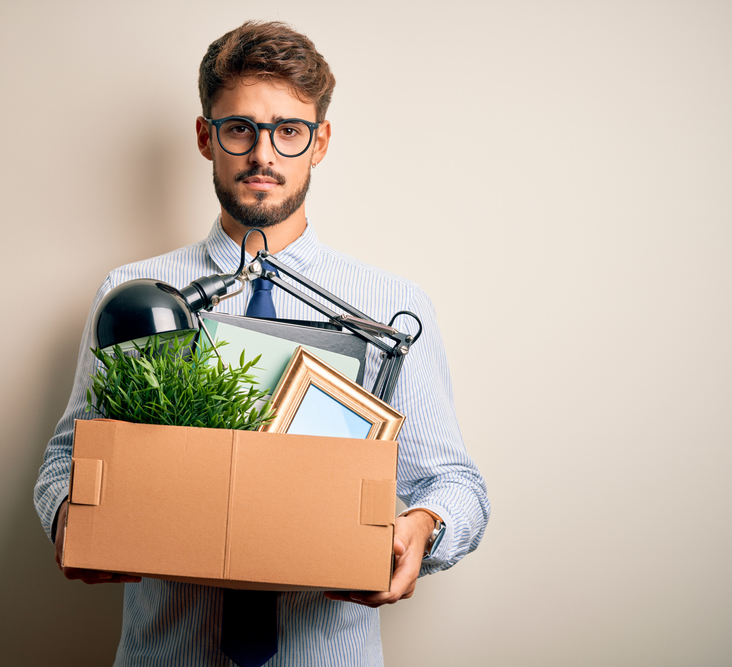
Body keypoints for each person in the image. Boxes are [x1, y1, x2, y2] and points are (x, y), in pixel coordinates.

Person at [34, 20, 489, 667]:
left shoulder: (393, 307)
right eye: (240, 127)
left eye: (288, 130)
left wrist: (421, 529)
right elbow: (66, 458)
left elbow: (456, 482)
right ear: (205, 136)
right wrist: (68, 518)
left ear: (320, 141)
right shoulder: (135, 294)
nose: (263, 154)